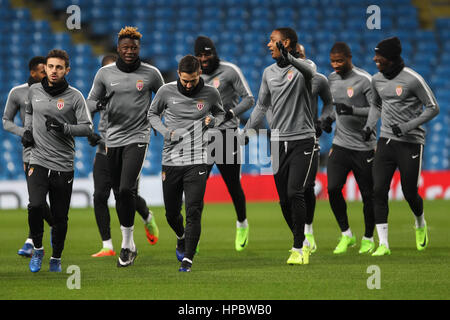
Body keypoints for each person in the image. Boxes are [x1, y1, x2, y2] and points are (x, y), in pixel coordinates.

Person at [87, 27, 164, 267]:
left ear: (139, 48)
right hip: (112, 138)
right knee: (118, 193)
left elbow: (165, 99)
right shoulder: (104, 74)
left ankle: (125, 244)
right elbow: (89, 103)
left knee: (125, 188)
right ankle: (130, 244)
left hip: (138, 137)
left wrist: (156, 120)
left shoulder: (151, 74)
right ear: (118, 49)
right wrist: (98, 104)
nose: (130, 51)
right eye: (125, 48)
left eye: (134, 48)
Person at [243, 27, 317, 265]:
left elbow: (310, 73)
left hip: (303, 139)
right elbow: (261, 107)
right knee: (284, 200)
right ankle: (302, 241)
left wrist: (290, 58)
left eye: (272, 41)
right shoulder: (268, 73)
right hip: (277, 141)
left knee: (295, 191)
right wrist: (247, 132)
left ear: (285, 43)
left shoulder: (305, 67)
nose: (268, 44)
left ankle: (298, 248)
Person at [363, 37, 439, 256]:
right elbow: (376, 104)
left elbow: (433, 108)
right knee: (378, 190)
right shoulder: (376, 79)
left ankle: (420, 223)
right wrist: (370, 125)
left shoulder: (413, 79)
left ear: (392, 57)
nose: (375, 58)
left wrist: (408, 126)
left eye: (380, 55)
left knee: (409, 192)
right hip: (386, 141)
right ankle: (383, 244)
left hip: (411, 143)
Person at [148, 55, 225, 272]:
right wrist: (165, 132)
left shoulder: (211, 92)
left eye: (192, 80)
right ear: (178, 75)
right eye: (184, 81)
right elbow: (152, 114)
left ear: (199, 73)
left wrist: (214, 121)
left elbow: (220, 113)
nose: (189, 85)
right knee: (171, 213)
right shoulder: (165, 91)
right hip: (171, 160)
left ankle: (188, 259)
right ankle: (182, 236)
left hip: (198, 159)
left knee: (194, 210)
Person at [24, 49, 93, 272]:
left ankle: (56, 257)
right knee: (35, 205)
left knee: (60, 217)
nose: (54, 71)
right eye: (51, 66)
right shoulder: (33, 91)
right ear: (45, 67)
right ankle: (37, 248)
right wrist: (26, 132)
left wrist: (64, 128)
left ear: (67, 70)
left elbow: (87, 128)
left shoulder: (75, 96)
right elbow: (29, 113)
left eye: (59, 67)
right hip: (38, 159)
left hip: (63, 165)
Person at [194, 36, 255, 252]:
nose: (204, 59)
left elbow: (249, 99)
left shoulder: (230, 71)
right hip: (201, 138)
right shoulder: (193, 74)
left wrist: (230, 114)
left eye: (207, 54)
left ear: (214, 53)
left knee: (232, 185)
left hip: (227, 136)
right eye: (200, 55)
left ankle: (242, 224)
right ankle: (193, 235)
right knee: (195, 189)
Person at [319, 42, 377, 254]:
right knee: (333, 188)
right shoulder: (331, 79)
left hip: (364, 146)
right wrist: (327, 120)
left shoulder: (365, 80)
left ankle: (369, 237)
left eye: (340, 61)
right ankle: (346, 234)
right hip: (340, 144)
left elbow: (376, 110)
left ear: (350, 58)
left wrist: (352, 110)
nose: (336, 65)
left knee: (367, 195)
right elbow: (335, 109)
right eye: (333, 61)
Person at [2, 56, 54, 258]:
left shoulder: (55, 91)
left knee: (45, 199)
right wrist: (23, 132)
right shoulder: (18, 92)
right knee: (36, 200)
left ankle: (53, 228)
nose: (48, 74)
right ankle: (32, 240)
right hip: (31, 152)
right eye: (44, 71)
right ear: (33, 73)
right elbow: (6, 121)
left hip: (55, 151)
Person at [296, 43, 333, 253]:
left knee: (306, 186)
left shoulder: (317, 79)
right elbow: (268, 105)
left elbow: (330, 103)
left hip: (309, 138)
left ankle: (306, 232)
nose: (298, 58)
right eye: (295, 55)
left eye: (301, 55)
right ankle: (300, 233)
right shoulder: (280, 79)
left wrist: (322, 120)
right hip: (282, 139)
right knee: (286, 193)